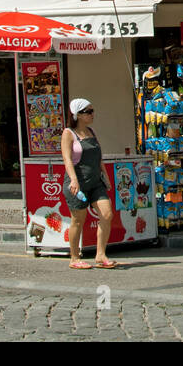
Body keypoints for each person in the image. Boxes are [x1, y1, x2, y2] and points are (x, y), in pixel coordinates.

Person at [61, 98, 119, 270]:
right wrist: (73, 179)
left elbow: (98, 157)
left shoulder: (91, 132)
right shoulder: (68, 134)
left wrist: (106, 176)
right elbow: (67, 159)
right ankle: (74, 257)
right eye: (89, 112)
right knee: (78, 220)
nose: (93, 114)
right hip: (78, 183)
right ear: (78, 115)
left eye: (92, 111)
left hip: (95, 182)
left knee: (107, 214)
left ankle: (100, 255)